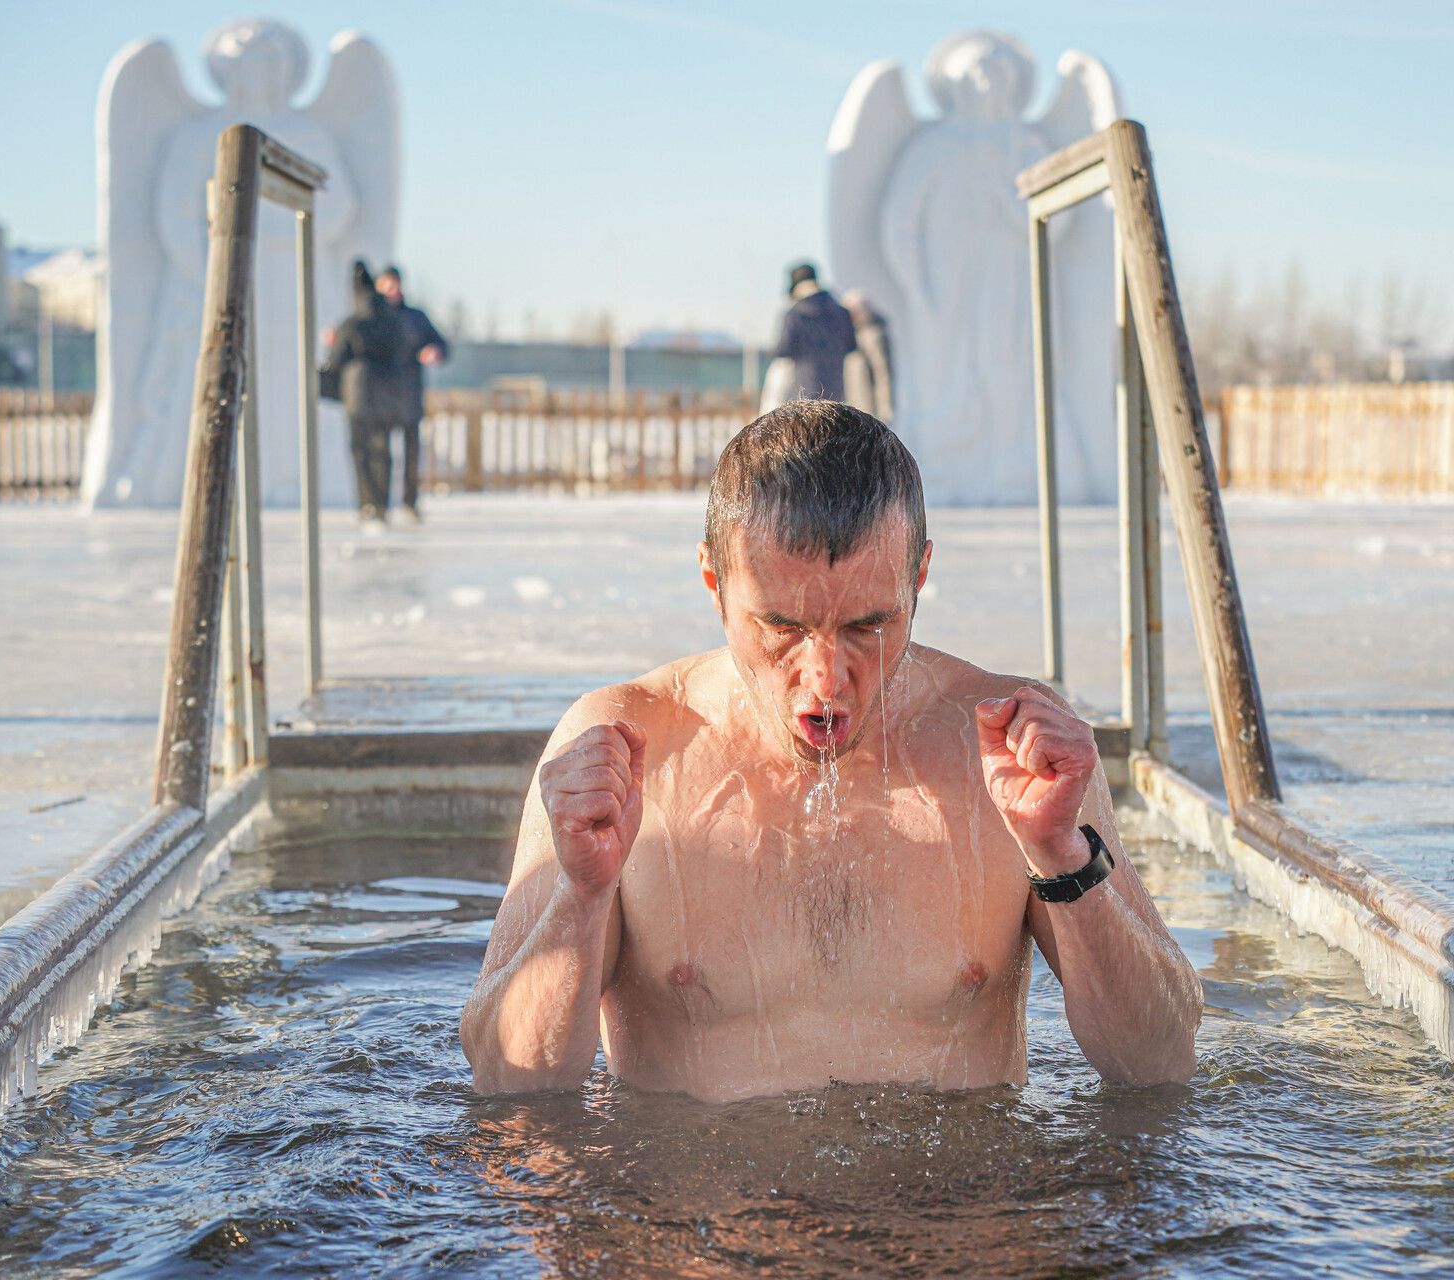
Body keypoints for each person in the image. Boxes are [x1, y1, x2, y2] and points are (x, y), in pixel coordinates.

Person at [461, 400, 1202, 1101]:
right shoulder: (626, 749)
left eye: (866, 626)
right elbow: (508, 1080)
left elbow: (1159, 1061)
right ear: (716, 585)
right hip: (695, 1218)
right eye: (781, 626)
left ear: (918, 579)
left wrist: (1064, 858)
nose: (824, 680)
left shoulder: (1008, 752)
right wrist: (581, 895)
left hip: (960, 1220)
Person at [320, 260, 415, 532]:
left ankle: (368, 504)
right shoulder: (392, 320)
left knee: (361, 450)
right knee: (382, 450)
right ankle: (381, 505)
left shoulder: (353, 322)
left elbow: (337, 359)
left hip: (359, 394)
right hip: (388, 392)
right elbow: (403, 351)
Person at [375, 265, 450, 523]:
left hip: (409, 393)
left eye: (395, 284)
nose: (392, 290)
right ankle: (379, 504)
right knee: (381, 453)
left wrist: (435, 351)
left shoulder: (415, 317)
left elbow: (442, 344)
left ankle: (409, 502)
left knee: (411, 452)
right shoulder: (374, 318)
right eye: (386, 284)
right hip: (382, 395)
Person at [771, 263, 858, 401]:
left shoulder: (795, 314)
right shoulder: (842, 312)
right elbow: (851, 345)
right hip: (836, 391)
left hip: (804, 389)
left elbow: (783, 349)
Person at [842, 290, 896, 423]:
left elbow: (882, 372)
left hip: (869, 406)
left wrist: (885, 407)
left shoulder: (874, 335)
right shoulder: (853, 335)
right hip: (855, 403)